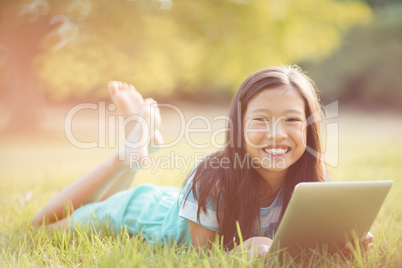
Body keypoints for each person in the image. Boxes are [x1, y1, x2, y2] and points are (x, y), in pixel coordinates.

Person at [33, 65, 373, 258]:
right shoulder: (214, 178)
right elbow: (200, 258)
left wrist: (342, 245)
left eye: (291, 120)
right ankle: (126, 158)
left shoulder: (314, 178)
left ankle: (139, 146)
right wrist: (247, 249)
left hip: (178, 204)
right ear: (237, 128)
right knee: (43, 226)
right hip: (144, 212)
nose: (276, 135)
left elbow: (302, 245)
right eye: (260, 120)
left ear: (309, 128)